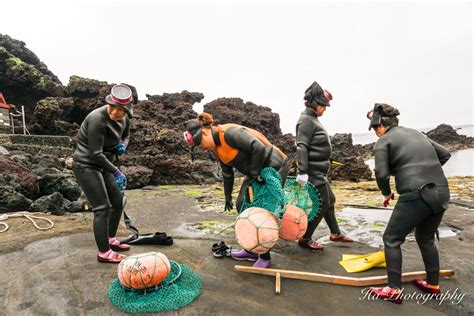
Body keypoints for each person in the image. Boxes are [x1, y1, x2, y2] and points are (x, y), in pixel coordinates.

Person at [366, 103, 451, 303]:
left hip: (417, 195)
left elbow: (381, 173)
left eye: (374, 128)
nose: (375, 133)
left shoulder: (384, 141)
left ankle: (393, 289)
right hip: (442, 192)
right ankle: (433, 284)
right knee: (426, 238)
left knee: (392, 239)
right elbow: (445, 154)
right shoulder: (418, 133)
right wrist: (425, 169)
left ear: (379, 124)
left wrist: (386, 193)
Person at [183, 112, 289, 268]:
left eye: (200, 143)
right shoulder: (218, 150)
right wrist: (227, 197)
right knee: (241, 205)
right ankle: (250, 249)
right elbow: (227, 174)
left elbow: (258, 148)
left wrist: (254, 172)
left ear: (205, 132)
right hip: (255, 172)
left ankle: (265, 256)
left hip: (273, 167)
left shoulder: (230, 133)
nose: (202, 148)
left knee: (262, 211)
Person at [72, 83, 138, 263]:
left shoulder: (125, 119)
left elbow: (126, 136)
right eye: (113, 107)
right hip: (86, 165)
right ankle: (104, 253)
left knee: (117, 202)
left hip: (104, 164)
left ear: (128, 109)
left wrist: (123, 145)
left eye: (121, 110)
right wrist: (116, 172)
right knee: (102, 208)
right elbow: (95, 154)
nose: (115, 113)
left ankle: (110, 239)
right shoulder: (97, 119)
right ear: (109, 102)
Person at [295, 81, 353, 251]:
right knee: (322, 203)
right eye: (323, 105)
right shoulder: (305, 120)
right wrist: (303, 171)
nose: (325, 109)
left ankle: (335, 233)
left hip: (319, 172)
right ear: (314, 103)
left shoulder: (312, 119)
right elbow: (302, 146)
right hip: (312, 173)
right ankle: (305, 238)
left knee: (331, 200)